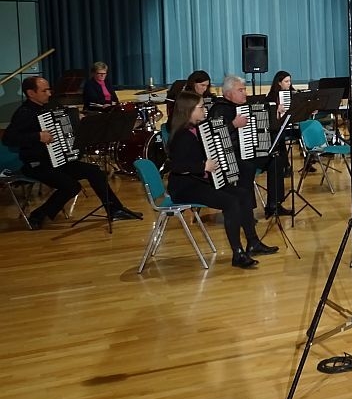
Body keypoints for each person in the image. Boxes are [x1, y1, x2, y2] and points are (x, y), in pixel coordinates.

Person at [3, 76, 143, 230]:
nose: (49, 93)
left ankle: (114, 209)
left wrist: (77, 119)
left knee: (95, 172)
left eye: (49, 90)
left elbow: (67, 119)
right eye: (44, 91)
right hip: (37, 164)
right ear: (31, 93)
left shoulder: (51, 105)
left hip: (59, 160)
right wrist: (37, 136)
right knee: (71, 186)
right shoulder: (24, 113)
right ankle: (38, 214)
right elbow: (9, 138)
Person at [167, 90, 277, 268]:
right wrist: (203, 167)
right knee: (230, 202)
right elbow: (176, 166)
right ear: (189, 110)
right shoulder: (181, 136)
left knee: (243, 194)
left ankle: (253, 242)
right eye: (201, 107)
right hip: (185, 187)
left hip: (201, 182)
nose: (205, 110)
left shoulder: (199, 129)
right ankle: (237, 253)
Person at [208, 75, 289, 218]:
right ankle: (246, 212)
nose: (245, 93)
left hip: (249, 151)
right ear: (228, 93)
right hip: (230, 156)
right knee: (247, 167)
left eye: (244, 89)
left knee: (276, 159)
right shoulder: (219, 109)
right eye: (240, 90)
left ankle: (274, 205)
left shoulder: (247, 107)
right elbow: (213, 136)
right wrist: (233, 125)